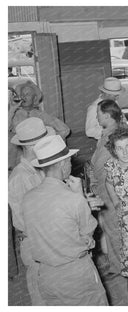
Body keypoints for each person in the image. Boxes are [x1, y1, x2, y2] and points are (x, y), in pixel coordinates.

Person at [21, 135, 108, 305]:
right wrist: (80, 198)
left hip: (46, 275)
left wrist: (81, 204)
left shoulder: (28, 198)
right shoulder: (73, 198)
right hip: (75, 274)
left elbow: (51, 219)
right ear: (62, 164)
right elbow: (88, 236)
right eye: (69, 161)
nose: (71, 164)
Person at [8, 117, 56, 305]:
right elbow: (22, 220)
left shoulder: (38, 169)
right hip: (34, 241)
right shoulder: (20, 177)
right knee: (40, 293)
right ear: (30, 147)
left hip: (46, 239)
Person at [90, 99, 128, 305]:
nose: (96, 116)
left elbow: (103, 166)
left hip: (111, 193)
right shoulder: (107, 134)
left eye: (98, 113)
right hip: (104, 192)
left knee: (115, 231)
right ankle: (118, 265)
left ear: (106, 115)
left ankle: (122, 268)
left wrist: (94, 180)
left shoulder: (114, 136)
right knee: (112, 231)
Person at [104, 127, 128, 305]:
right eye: (119, 148)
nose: (125, 152)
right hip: (127, 223)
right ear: (114, 150)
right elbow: (108, 182)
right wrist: (116, 202)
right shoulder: (111, 165)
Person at [8, 81, 70, 169]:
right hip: (17, 159)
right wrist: (12, 109)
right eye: (22, 94)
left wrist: (46, 142)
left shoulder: (41, 115)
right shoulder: (14, 114)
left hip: (37, 158)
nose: (24, 97)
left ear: (35, 98)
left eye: (27, 94)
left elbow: (65, 130)